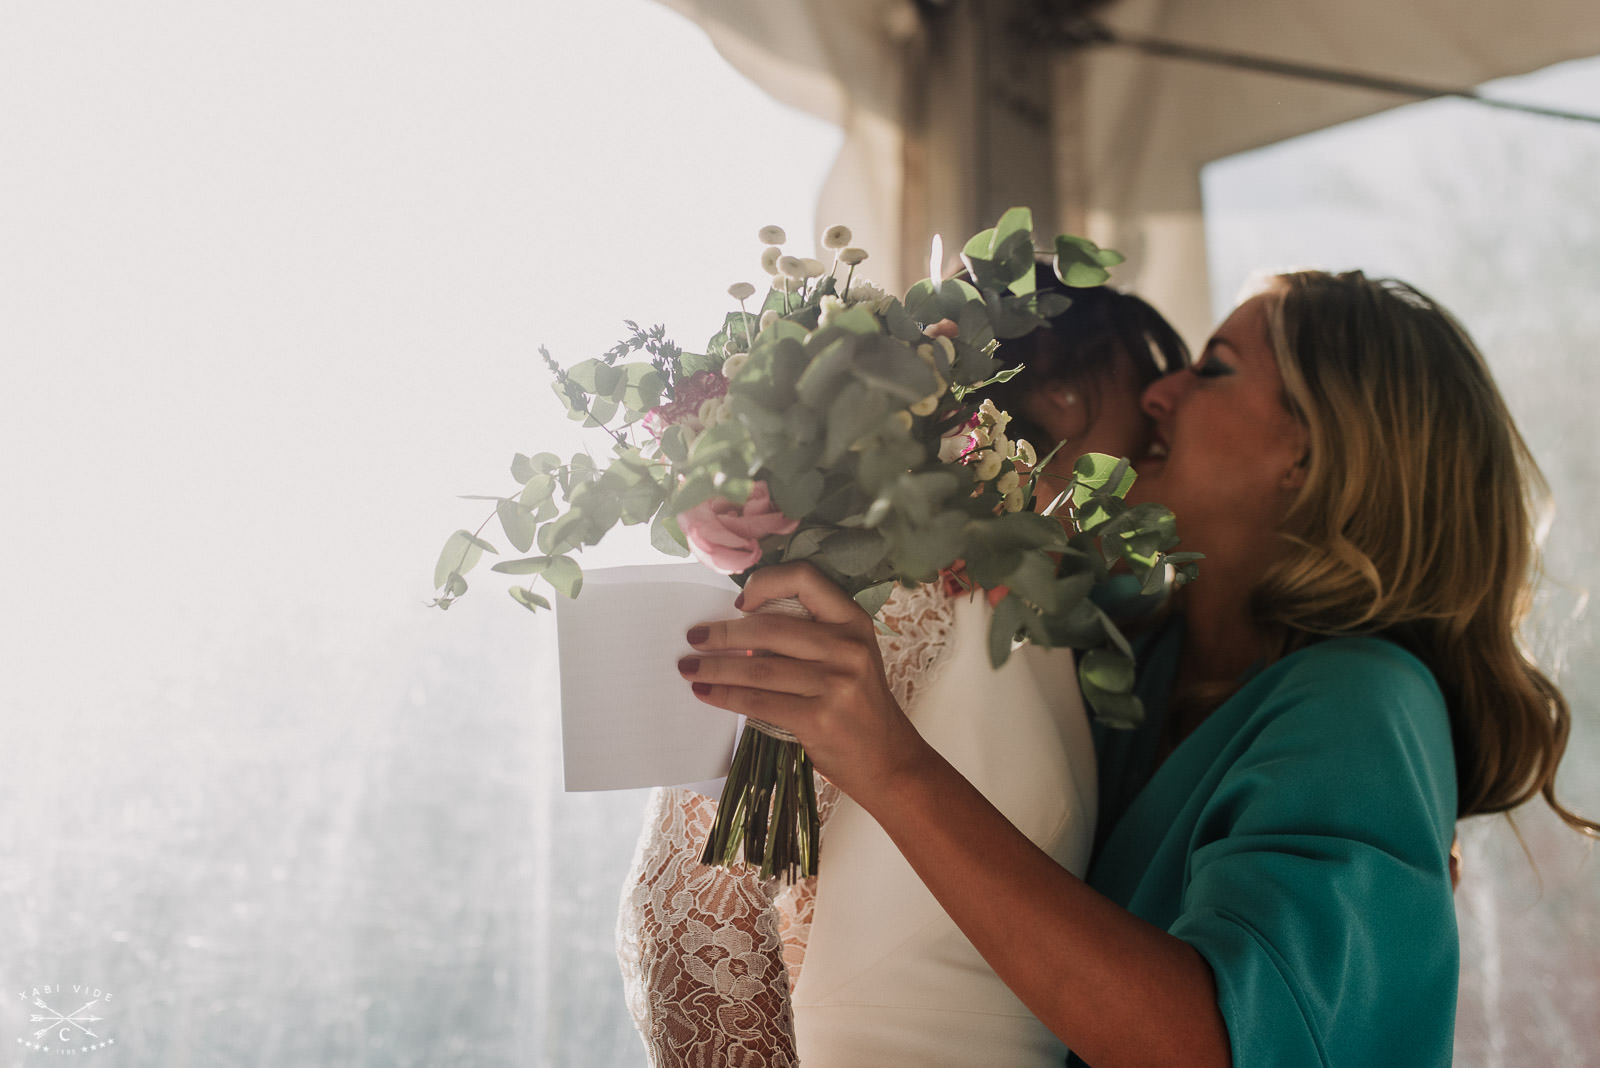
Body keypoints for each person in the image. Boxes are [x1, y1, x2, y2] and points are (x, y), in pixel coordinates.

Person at [677, 270, 1599, 1066]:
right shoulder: (1132, 649)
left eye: (1215, 369)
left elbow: (1216, 1049)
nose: (1160, 393)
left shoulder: (1364, 701)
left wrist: (894, 769)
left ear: (1310, 453)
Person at [616, 277, 1189, 1066]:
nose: (1166, 430)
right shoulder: (898, 587)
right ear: (1059, 398)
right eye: (1147, 408)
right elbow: (691, 905)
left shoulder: (1039, 622)